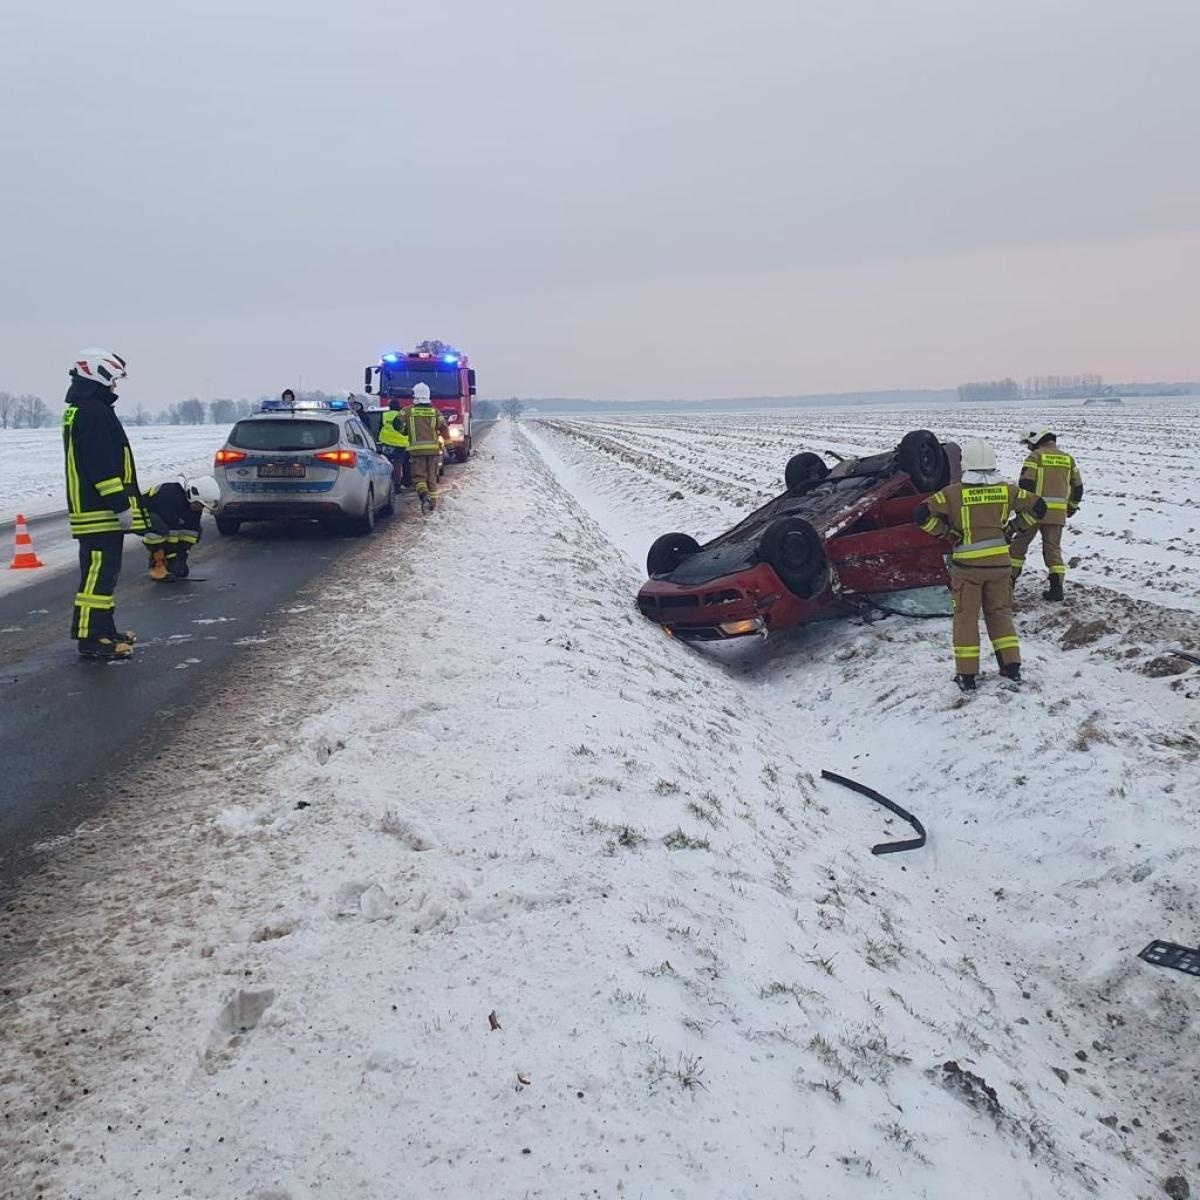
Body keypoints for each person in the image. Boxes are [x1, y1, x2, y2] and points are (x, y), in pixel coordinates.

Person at [913, 437, 1046, 691]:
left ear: (966, 464)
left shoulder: (952, 494)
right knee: (1000, 615)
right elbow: (1039, 506)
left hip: (967, 570)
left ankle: (967, 675)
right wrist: (1015, 527)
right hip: (1000, 566)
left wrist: (944, 532)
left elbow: (920, 514)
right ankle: (1012, 667)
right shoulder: (1007, 491)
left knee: (966, 619)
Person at [62, 348, 148, 660]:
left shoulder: (84, 407)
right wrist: (119, 504)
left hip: (95, 510)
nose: (115, 386)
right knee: (97, 577)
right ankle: (91, 638)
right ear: (97, 374)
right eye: (112, 379)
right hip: (99, 511)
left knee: (103, 574)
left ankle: (105, 629)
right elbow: (101, 464)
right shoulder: (93, 411)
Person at [1008, 429, 1083, 602]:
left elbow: (1026, 483)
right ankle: (1057, 590)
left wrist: (1022, 509)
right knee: (1053, 550)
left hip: (1033, 512)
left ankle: (1008, 585)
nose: (1028, 447)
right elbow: (1078, 487)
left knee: (1018, 547)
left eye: (1028, 443)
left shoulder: (1035, 457)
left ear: (1036, 440)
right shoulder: (1067, 459)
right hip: (1057, 514)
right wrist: (1070, 507)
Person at [142, 476, 220, 580]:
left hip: (163, 519)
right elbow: (172, 532)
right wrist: (172, 560)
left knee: (196, 532)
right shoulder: (170, 495)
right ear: (191, 495)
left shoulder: (195, 504)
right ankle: (158, 567)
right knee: (160, 531)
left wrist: (182, 559)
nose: (200, 508)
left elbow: (191, 531)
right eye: (200, 505)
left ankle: (172, 564)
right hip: (136, 516)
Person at [404, 383, 448, 512]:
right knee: (432, 479)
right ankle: (432, 507)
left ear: (415, 396)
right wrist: (450, 447)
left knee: (419, 478)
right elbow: (444, 429)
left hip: (416, 452)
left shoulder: (407, 410)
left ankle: (424, 495)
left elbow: (397, 424)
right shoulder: (435, 412)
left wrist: (404, 430)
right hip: (433, 452)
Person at [378, 398, 411, 488]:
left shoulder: (385, 415)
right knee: (398, 464)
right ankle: (397, 485)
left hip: (387, 442)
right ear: (399, 407)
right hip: (401, 443)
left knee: (387, 463)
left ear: (389, 407)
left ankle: (387, 484)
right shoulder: (402, 415)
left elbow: (380, 428)